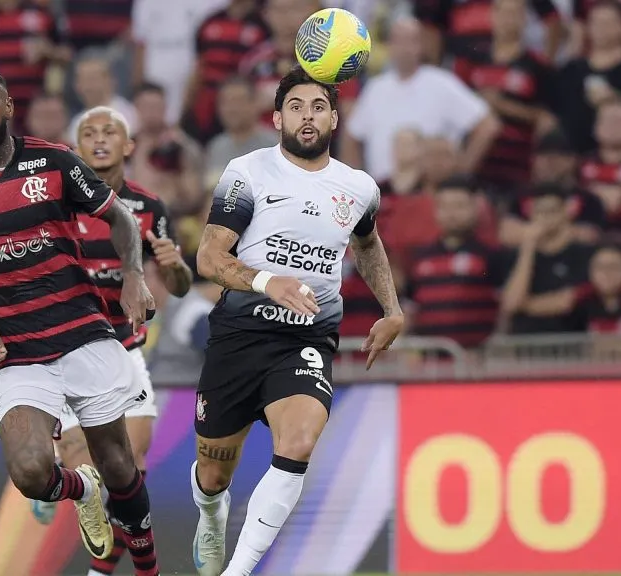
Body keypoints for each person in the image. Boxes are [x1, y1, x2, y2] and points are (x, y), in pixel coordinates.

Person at [0, 67, 161, 573]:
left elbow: (119, 218)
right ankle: (80, 488)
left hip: (81, 333)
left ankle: (147, 566)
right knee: (31, 473)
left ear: (7, 107)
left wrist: (134, 275)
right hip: (17, 352)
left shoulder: (55, 162)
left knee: (120, 466)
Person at [190, 66, 405, 576]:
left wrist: (393, 311)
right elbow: (209, 258)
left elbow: (368, 243)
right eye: (295, 108)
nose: (306, 117)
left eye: (317, 108)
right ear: (277, 117)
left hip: (306, 338)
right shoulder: (248, 172)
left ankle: (237, 572)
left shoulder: (358, 188)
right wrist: (270, 282)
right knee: (215, 472)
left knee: (300, 441)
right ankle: (210, 513)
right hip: (239, 334)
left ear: (333, 119)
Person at [0, 105, 191, 576]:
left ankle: (100, 571)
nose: (100, 140)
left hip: (124, 349)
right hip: (65, 350)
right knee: (88, 465)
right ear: (75, 148)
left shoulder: (148, 208)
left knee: (132, 466)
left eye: (111, 132)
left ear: (128, 146)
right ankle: (54, 486)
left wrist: (173, 267)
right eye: (89, 133)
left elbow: (181, 287)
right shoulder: (53, 204)